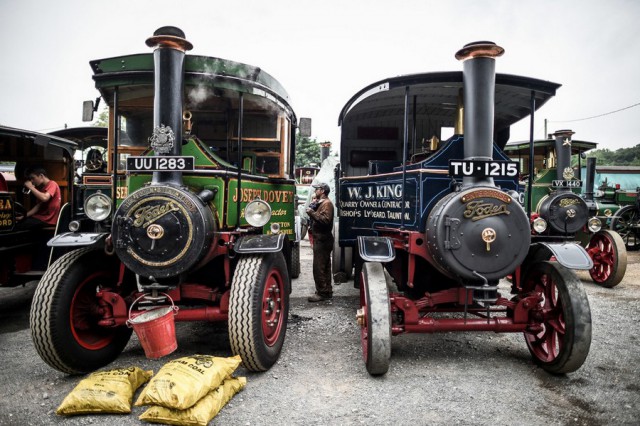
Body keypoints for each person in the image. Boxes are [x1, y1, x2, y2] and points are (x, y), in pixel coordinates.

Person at [306, 182, 334, 302]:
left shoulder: (327, 204)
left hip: (323, 239)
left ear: (322, 191)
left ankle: (322, 293)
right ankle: (326, 291)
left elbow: (325, 220)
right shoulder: (322, 203)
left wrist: (311, 212)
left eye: (317, 189)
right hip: (322, 238)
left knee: (319, 267)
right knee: (324, 266)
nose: (315, 191)